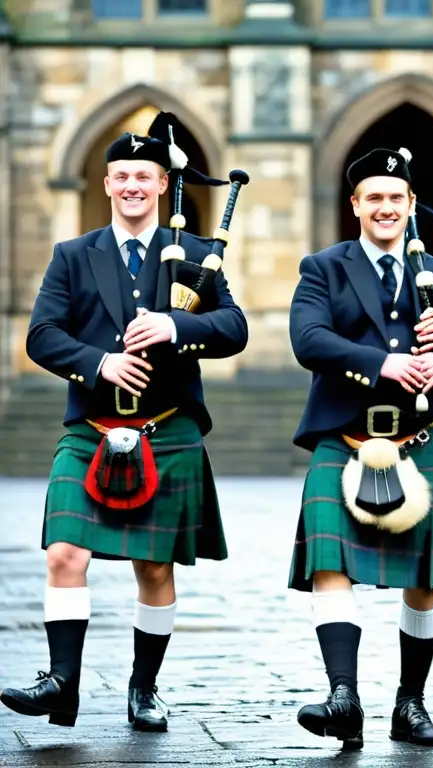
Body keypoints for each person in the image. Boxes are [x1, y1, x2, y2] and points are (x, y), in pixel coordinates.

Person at [0, 113, 248, 732]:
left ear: (163, 184)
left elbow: (235, 329)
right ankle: (62, 683)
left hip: (168, 428)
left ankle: (144, 688)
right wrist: (100, 362)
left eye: (144, 175)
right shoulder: (73, 256)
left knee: (155, 567)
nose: (133, 185)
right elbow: (41, 337)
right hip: (90, 427)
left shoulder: (198, 255)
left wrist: (177, 325)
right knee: (63, 552)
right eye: (121, 176)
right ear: (107, 184)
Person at [287, 146, 433, 750]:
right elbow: (308, 340)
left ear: (411, 206)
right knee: (330, 564)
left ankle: (411, 703)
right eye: (373, 198)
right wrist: (383, 364)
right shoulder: (323, 268)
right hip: (346, 437)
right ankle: (343, 697)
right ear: (355, 205)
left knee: (424, 577)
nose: (385, 207)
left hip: (420, 439)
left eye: (396, 198)